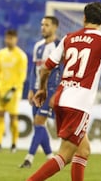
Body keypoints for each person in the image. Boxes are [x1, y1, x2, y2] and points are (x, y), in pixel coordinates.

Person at [27, 2, 101, 181]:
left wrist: (42, 89)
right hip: (79, 103)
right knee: (65, 155)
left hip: (60, 99)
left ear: (84, 18)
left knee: (83, 150)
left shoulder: (68, 38)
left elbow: (45, 69)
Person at [20, 16, 62, 168]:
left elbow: (63, 72)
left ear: (55, 27)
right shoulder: (38, 46)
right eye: (42, 24)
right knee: (39, 125)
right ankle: (51, 157)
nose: (43, 27)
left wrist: (57, 92)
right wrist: (31, 89)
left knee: (39, 122)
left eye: (47, 25)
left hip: (50, 90)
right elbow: (33, 70)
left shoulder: (59, 46)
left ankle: (29, 158)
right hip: (37, 90)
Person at [0, 29, 28, 153]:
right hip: (1, 89)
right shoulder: (1, 53)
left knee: (13, 117)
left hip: (14, 91)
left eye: (11, 38)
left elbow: (22, 75)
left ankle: (14, 145)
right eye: (7, 38)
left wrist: (15, 88)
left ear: (16, 39)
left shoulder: (21, 56)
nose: (9, 40)